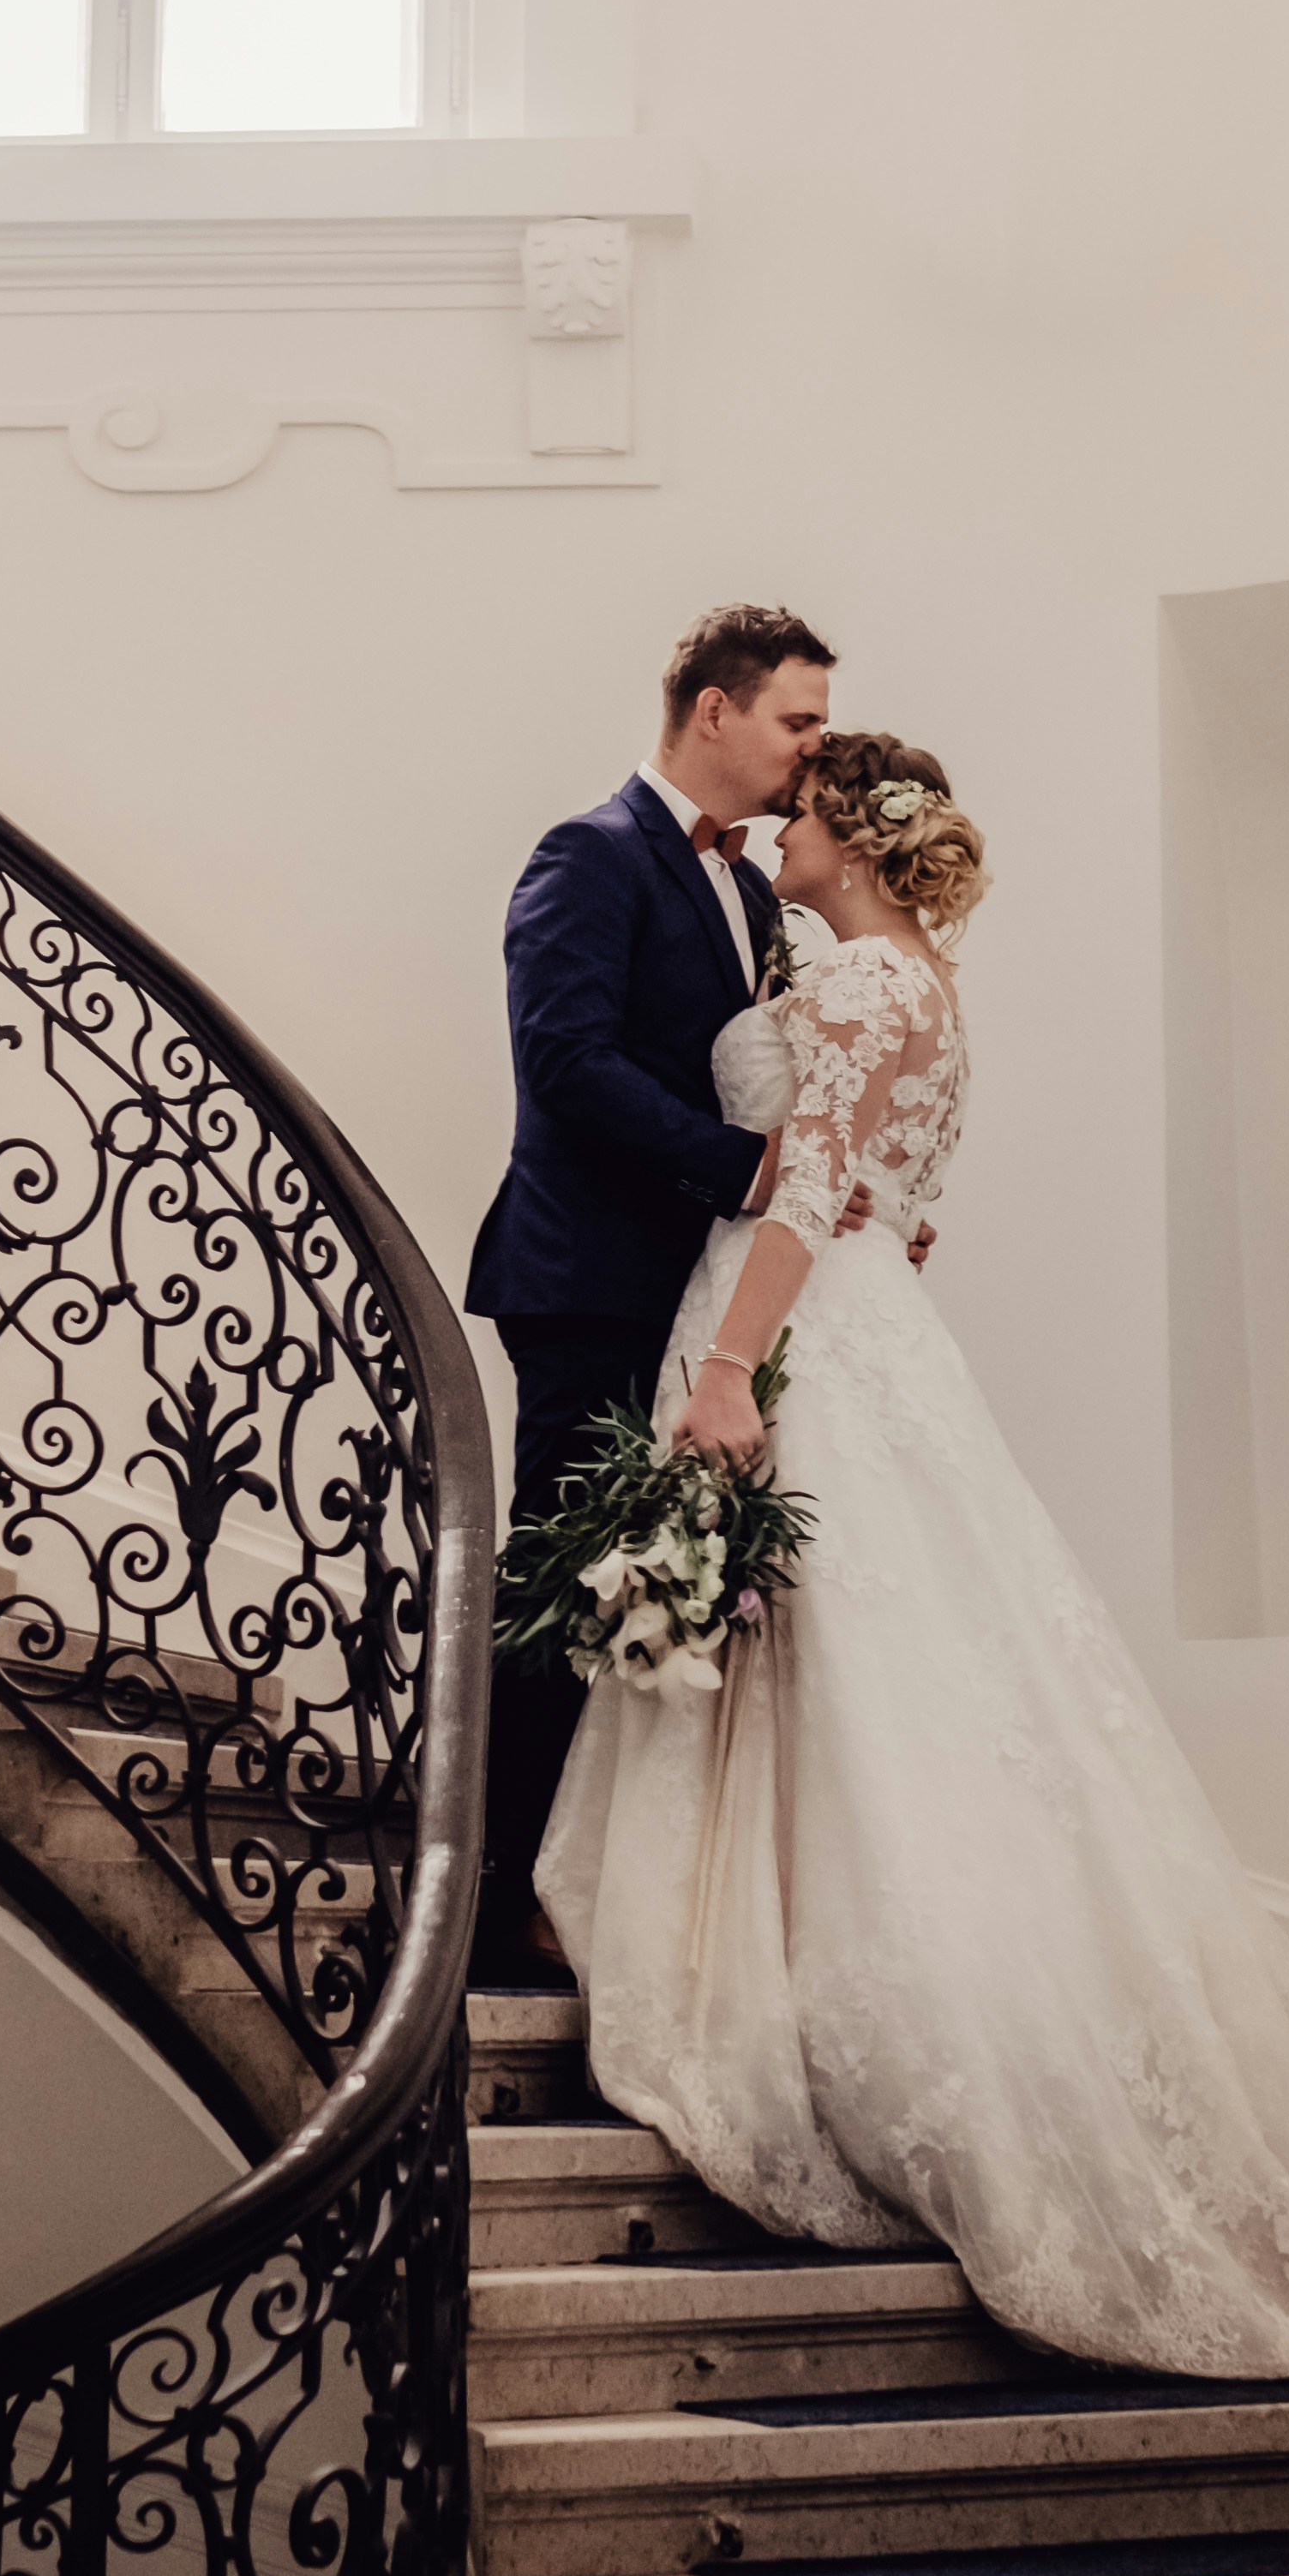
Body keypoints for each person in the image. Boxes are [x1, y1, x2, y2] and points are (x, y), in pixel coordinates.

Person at [533, 726, 1289, 2382]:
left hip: (794, 1317)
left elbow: (811, 1188)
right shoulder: (916, 983)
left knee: (845, 1664)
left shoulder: (857, 989)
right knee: (889, 1670)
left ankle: (800, 1987)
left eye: (804, 814)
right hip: (877, 1325)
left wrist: (736, 1371)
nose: (778, 826)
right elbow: (902, 1197)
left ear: (854, 837)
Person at [464, 605, 838, 1991]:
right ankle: (492, 1895)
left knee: (658, 1596)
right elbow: (566, 1064)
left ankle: (600, 1881)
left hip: (693, 1296)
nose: (812, 748)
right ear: (712, 712)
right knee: (558, 1585)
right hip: (585, 1279)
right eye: (796, 720)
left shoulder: (750, 892)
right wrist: (749, 1168)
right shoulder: (591, 855)